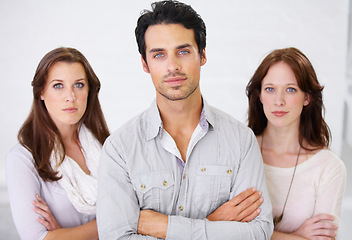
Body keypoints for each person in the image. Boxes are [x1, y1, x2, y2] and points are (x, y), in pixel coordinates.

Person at [97, 1, 273, 239]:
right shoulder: (119, 149)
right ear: (145, 64)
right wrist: (212, 223)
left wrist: (165, 227)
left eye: (183, 51)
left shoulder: (241, 141)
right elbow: (115, 237)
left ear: (202, 55)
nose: (172, 66)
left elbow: (258, 232)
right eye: (159, 54)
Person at [6, 47, 110, 240]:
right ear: (41, 92)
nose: (70, 96)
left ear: (89, 90)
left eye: (79, 85)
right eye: (58, 85)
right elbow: (36, 238)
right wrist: (115, 223)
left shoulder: (108, 147)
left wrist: (63, 235)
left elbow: (136, 212)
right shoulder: (22, 159)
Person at [246, 47, 346, 240]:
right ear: (259, 96)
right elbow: (227, 230)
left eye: (291, 89)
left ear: (307, 97)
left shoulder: (329, 167)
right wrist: (297, 236)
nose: (279, 100)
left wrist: (258, 234)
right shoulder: (240, 151)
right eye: (270, 89)